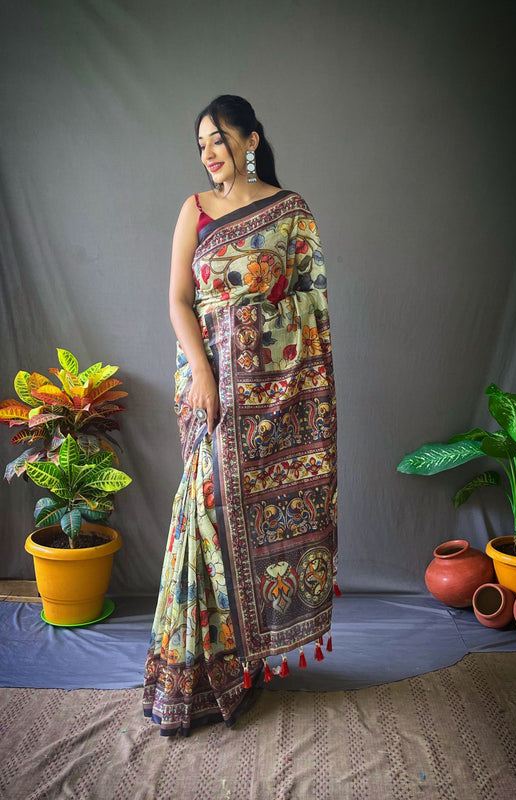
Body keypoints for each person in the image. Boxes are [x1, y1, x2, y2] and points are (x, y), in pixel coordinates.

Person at [143, 95, 338, 736]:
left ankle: (244, 665)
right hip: (208, 386)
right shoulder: (195, 210)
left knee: (248, 520)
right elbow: (178, 300)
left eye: (218, 139)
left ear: (250, 139)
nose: (207, 152)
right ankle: (199, 673)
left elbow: (312, 305)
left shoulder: (290, 212)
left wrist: (263, 334)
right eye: (200, 143)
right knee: (207, 511)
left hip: (276, 392)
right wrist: (204, 372)